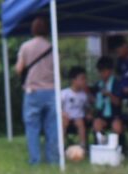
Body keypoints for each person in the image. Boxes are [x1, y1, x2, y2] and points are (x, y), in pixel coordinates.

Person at [15, 17, 58, 165]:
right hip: (51, 91)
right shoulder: (52, 47)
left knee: (32, 127)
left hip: (32, 91)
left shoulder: (25, 46)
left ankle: (35, 160)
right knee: (52, 127)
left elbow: (19, 69)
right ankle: (53, 159)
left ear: (32, 30)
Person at [91, 56, 124, 142]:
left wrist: (109, 95)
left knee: (117, 126)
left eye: (104, 71)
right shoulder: (98, 84)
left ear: (110, 71)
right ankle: (101, 144)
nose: (102, 74)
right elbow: (95, 104)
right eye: (100, 72)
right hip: (102, 116)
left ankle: (118, 146)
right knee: (97, 124)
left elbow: (118, 102)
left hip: (115, 115)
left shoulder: (117, 84)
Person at [61, 66, 90, 148]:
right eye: (82, 79)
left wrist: (88, 113)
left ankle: (83, 146)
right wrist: (62, 113)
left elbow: (86, 107)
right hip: (66, 117)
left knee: (80, 122)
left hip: (78, 118)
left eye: (85, 79)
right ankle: (62, 145)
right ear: (74, 80)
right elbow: (57, 107)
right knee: (64, 122)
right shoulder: (64, 93)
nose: (84, 81)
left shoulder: (84, 95)